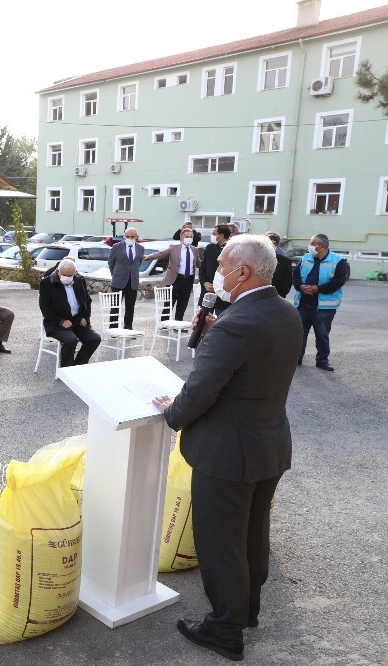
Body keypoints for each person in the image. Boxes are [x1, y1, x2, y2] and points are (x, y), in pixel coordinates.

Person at [152, 234, 300, 662]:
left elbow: (200, 392)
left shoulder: (235, 324)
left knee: (221, 542)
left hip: (228, 453)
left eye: (221, 266)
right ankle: (246, 611)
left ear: (243, 272)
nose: (216, 273)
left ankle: (224, 629)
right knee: (252, 533)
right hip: (268, 444)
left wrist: (172, 413)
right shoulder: (286, 313)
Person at [292, 233, 349, 371]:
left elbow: (339, 281)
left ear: (321, 247)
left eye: (312, 243)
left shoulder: (339, 261)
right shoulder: (306, 258)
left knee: (322, 334)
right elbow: (296, 275)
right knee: (300, 333)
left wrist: (318, 289)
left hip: (323, 306)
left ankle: (322, 360)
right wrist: (300, 286)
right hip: (303, 303)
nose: (310, 246)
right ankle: (296, 358)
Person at [38, 259, 101, 367]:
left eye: (70, 275)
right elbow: (45, 308)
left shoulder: (79, 280)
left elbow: (87, 301)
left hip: (77, 321)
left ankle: (78, 366)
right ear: (58, 271)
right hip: (56, 324)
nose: (67, 277)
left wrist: (85, 317)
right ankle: (66, 369)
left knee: (94, 339)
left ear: (74, 273)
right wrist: (61, 321)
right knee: (71, 340)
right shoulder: (47, 283)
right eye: (64, 274)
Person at [141, 228, 200, 321]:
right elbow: (161, 254)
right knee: (169, 302)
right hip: (175, 278)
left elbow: (197, 262)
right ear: (181, 238)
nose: (189, 238)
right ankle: (164, 322)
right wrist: (149, 257)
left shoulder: (195, 250)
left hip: (188, 280)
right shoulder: (174, 248)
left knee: (183, 303)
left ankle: (178, 322)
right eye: (187, 236)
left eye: (191, 237)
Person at [107, 227, 144, 329]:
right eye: (128, 236)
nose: (130, 238)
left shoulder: (141, 248)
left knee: (130, 307)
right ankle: (113, 328)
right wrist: (115, 275)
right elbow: (111, 263)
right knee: (115, 306)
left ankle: (128, 328)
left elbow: (138, 263)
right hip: (118, 281)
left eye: (132, 236)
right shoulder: (116, 247)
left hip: (132, 282)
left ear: (136, 237)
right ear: (124, 236)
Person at [200, 224, 233, 315]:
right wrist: (204, 282)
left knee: (221, 323)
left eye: (214, 234)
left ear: (221, 236)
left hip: (222, 296)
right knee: (203, 321)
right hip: (207, 293)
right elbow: (202, 268)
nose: (212, 236)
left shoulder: (232, 249)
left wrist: (218, 286)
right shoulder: (210, 248)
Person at [266, 232, 293, 298]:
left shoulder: (285, 262)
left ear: (277, 245)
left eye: (273, 244)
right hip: (257, 298)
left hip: (276, 298)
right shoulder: (256, 259)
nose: (270, 247)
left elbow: (287, 282)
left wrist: (278, 296)